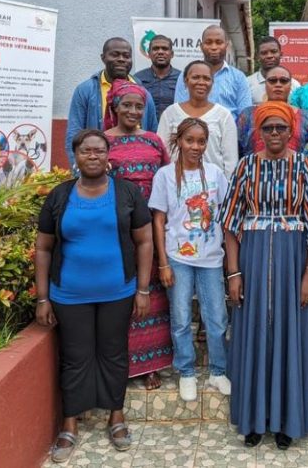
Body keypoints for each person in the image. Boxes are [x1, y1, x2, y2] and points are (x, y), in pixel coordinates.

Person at [35, 129, 153, 463]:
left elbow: (145, 242)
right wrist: (43, 297)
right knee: (75, 357)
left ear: (108, 155)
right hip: (68, 294)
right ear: (76, 155)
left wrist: (142, 289)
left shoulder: (127, 193)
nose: (93, 156)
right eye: (86, 151)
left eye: (99, 150)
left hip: (118, 291)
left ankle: (116, 417)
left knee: (114, 353)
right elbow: (43, 248)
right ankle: (69, 424)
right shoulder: (60, 196)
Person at [219, 102, 308, 450]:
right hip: (250, 259)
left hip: (293, 261)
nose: (275, 134)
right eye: (269, 128)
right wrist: (233, 273)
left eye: (282, 127)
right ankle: (253, 419)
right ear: (259, 132)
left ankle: (286, 421)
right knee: (253, 335)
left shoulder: (305, 166)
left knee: (288, 335)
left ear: (291, 130)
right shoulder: (245, 166)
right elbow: (230, 225)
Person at [149, 118, 231, 402]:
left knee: (217, 319)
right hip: (177, 257)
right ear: (179, 141)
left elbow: (227, 215)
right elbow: (158, 221)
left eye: (201, 141)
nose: (195, 146)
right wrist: (163, 263)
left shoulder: (216, 173)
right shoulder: (165, 176)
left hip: (210, 258)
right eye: (190, 140)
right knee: (181, 317)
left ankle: (219, 371)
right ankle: (186, 372)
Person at [104, 79, 173, 391]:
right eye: (127, 105)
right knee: (122, 294)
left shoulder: (154, 141)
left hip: (152, 225)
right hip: (117, 229)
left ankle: (152, 365)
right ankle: (125, 364)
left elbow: (170, 179)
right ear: (114, 108)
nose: (133, 111)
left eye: (138, 106)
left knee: (152, 297)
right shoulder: (102, 142)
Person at [65, 38, 158, 166]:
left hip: (137, 167)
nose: (121, 59)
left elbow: (152, 132)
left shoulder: (143, 93)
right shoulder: (85, 90)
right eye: (115, 54)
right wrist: (79, 170)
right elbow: (74, 134)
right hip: (97, 168)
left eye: (126, 56)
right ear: (103, 58)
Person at [159, 60, 238, 179]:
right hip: (176, 183)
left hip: (212, 186)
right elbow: (163, 152)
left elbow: (231, 161)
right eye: (195, 77)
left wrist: (226, 190)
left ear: (212, 83)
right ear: (186, 81)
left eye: (206, 78)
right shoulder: (170, 114)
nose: (201, 82)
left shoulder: (223, 116)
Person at [236, 65, 308, 156]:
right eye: (272, 81)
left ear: (290, 85)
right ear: (265, 84)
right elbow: (236, 149)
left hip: (296, 168)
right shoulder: (248, 115)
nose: (278, 84)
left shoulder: (305, 118)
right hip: (253, 168)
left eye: (283, 81)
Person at [173, 25, 252, 119]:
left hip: (227, 132)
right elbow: (179, 111)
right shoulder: (187, 75)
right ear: (201, 46)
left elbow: (245, 116)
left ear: (226, 45)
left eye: (219, 42)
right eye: (208, 42)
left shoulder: (239, 77)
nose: (214, 47)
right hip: (193, 130)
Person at [133, 34, 180, 119]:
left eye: (165, 49)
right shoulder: (137, 78)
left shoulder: (182, 78)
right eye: (155, 49)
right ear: (149, 53)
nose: (160, 52)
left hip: (173, 129)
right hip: (146, 129)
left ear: (172, 54)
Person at [246, 36, 301, 104]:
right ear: (258, 56)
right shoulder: (247, 83)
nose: (269, 56)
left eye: (274, 51)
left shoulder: (294, 85)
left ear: (281, 54)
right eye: (264, 53)